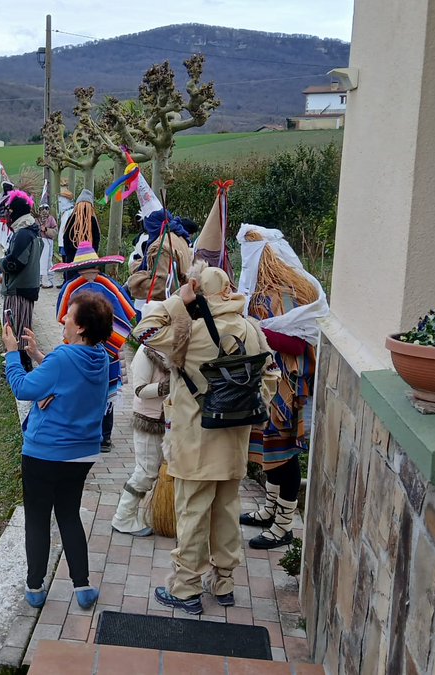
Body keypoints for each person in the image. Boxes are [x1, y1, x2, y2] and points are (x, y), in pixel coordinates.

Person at [132, 264, 278, 614]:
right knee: (226, 513)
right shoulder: (251, 328)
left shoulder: (189, 332)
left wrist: (178, 302)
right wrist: (248, 411)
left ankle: (186, 589)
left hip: (195, 443)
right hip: (233, 442)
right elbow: (269, 377)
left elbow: (144, 332)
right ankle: (224, 582)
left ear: (196, 289)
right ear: (228, 291)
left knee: (193, 515)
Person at [3, 290, 112, 611]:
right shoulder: (101, 356)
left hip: (45, 454)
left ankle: (35, 588)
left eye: (69, 314)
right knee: (68, 515)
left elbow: (23, 389)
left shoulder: (63, 359)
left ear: (81, 327)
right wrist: (39, 356)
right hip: (81, 456)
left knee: (37, 520)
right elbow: (65, 379)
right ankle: (83, 587)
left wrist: (13, 353)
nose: (63, 319)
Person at [236, 224, 329, 549]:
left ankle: (284, 526)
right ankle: (270, 510)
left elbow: (300, 344)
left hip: (287, 389)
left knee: (283, 453)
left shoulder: (282, 295)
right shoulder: (271, 292)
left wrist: (254, 327)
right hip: (273, 384)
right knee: (269, 450)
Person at [51, 241, 137, 449]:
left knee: (82, 387)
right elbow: (127, 311)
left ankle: (85, 432)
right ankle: (105, 437)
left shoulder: (71, 287)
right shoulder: (109, 285)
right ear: (97, 265)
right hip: (109, 344)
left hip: (80, 346)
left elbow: (61, 316)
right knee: (106, 389)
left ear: (78, 266)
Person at [111, 342, 169, 536]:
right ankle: (123, 517)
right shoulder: (147, 351)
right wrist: (168, 386)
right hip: (149, 420)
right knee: (146, 472)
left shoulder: (175, 348)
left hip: (169, 421)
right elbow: (140, 389)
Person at [0, 190, 44, 372]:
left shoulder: (23, 234)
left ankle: (22, 368)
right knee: (22, 327)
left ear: (17, 212)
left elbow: (15, 263)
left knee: (17, 330)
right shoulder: (32, 231)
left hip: (19, 291)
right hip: (24, 288)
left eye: (10, 211)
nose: (8, 215)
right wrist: (4, 278)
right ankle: (23, 365)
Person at [125, 208, 194, 310]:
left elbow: (163, 285)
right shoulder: (177, 237)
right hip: (177, 302)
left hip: (162, 308)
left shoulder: (162, 247)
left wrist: (133, 282)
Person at [60, 190, 102, 284]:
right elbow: (96, 241)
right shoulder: (92, 220)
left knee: (72, 285)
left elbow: (65, 240)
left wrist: (69, 255)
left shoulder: (71, 219)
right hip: (89, 261)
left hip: (72, 261)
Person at [36, 192, 59, 289]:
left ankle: (48, 279)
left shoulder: (51, 219)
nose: (44, 211)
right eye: (42, 209)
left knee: (48, 261)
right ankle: (42, 280)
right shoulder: (37, 219)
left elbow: (55, 231)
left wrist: (46, 230)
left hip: (48, 241)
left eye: (46, 208)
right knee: (41, 261)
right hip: (39, 241)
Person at [0, 180, 15, 249]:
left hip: (10, 224)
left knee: (8, 241)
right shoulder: (0, 198)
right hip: (1, 223)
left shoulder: (14, 198)